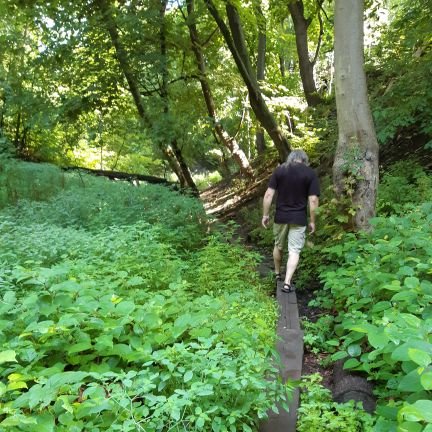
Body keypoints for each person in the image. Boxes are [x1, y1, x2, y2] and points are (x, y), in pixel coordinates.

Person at [262, 149, 320, 293]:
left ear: (290, 158)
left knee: (278, 245)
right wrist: (313, 220)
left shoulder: (280, 170)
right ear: (304, 160)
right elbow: (313, 200)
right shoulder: (310, 173)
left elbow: (269, 194)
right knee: (294, 250)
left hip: (281, 216)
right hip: (299, 218)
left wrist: (265, 214)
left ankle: (277, 274)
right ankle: (287, 282)